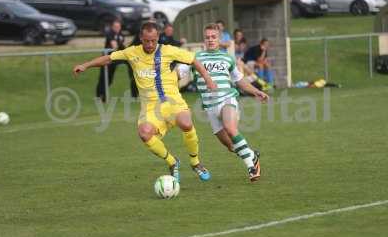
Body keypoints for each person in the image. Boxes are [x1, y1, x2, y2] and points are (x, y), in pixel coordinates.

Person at [73, 22, 217, 183]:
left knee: (186, 123)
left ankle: (195, 162)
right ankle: (172, 162)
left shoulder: (168, 50)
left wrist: (208, 79)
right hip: (151, 108)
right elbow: (108, 58)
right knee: (144, 133)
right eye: (147, 40)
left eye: (153, 41)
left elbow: (193, 60)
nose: (150, 44)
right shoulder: (131, 53)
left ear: (158, 38)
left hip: (173, 102)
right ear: (141, 38)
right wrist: (85, 65)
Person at [179, 23, 269, 182]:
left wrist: (256, 91)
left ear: (219, 39)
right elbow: (179, 73)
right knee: (230, 146)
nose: (211, 40)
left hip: (228, 98)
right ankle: (251, 154)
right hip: (210, 107)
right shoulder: (195, 58)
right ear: (204, 40)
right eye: (207, 37)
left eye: (214, 37)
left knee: (230, 128)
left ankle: (251, 167)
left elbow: (240, 80)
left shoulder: (228, 58)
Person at [96, 19, 138, 101]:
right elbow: (114, 46)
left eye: (119, 27)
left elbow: (122, 46)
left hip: (115, 58)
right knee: (104, 78)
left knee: (110, 79)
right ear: (112, 27)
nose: (117, 28)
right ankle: (99, 95)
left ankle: (135, 87)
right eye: (115, 27)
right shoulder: (110, 34)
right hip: (106, 58)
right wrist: (121, 46)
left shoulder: (121, 34)